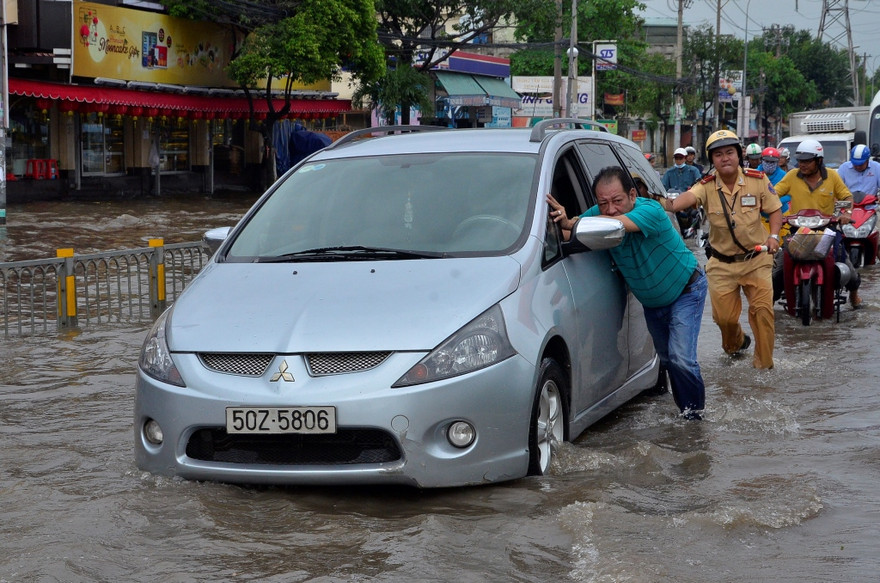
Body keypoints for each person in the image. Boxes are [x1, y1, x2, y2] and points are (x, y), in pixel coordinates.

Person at [547, 166, 707, 419]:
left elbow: (614, 225)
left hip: (686, 290)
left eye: (617, 201)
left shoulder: (651, 210)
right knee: (667, 360)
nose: (610, 209)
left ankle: (694, 416)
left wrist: (575, 223)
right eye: (603, 203)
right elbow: (567, 232)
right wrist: (556, 223)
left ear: (632, 195)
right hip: (653, 302)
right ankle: (684, 410)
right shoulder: (597, 216)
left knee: (682, 359)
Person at [669, 129, 782, 370]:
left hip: (757, 258)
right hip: (721, 263)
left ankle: (764, 368)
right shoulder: (705, 185)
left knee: (763, 313)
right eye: (718, 154)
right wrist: (664, 203)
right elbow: (683, 201)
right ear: (712, 160)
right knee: (724, 319)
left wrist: (773, 236)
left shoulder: (758, 180)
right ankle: (737, 343)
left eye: (729, 152)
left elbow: (774, 209)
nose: (725, 158)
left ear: (739, 154)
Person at [773, 139, 862, 308]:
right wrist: (767, 205)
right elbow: (774, 193)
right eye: (800, 160)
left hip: (826, 231)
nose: (802, 164)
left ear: (819, 160)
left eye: (807, 161)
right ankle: (768, 305)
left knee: (846, 265)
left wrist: (847, 213)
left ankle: (854, 294)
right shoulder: (792, 176)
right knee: (779, 269)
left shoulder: (832, 176)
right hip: (798, 232)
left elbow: (846, 197)